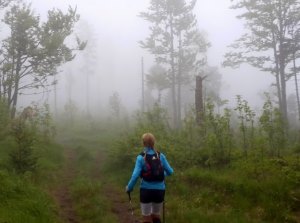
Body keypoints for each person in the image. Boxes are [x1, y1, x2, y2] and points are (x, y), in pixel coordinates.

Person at [126, 133, 174, 223]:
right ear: (153, 143)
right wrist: (162, 174)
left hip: (146, 190)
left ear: (143, 143)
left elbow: (135, 175)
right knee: (156, 215)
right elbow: (170, 171)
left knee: (146, 218)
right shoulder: (160, 156)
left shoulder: (141, 157)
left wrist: (129, 187)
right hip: (159, 191)